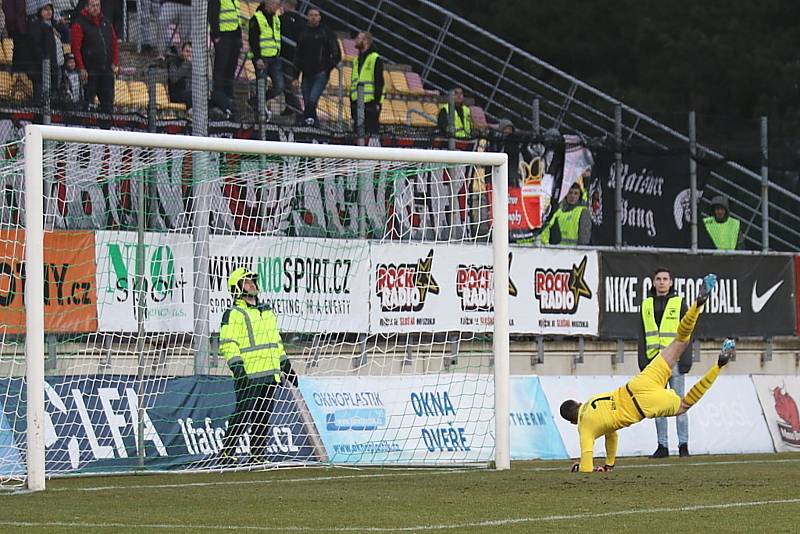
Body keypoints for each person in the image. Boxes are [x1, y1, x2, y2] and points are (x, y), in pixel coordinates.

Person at [560, 274, 734, 473]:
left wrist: (578, 466)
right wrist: (609, 465)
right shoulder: (591, 402)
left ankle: (719, 365)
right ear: (578, 403)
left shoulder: (585, 428)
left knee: (685, 404)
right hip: (639, 383)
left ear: (573, 421)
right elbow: (611, 434)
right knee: (680, 341)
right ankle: (697, 305)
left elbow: (587, 467)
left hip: (643, 405)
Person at [218, 267, 299, 464]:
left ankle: (257, 453)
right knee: (243, 413)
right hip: (248, 373)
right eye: (246, 282)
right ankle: (227, 452)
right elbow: (228, 343)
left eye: (252, 281)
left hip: (271, 372)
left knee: (263, 415)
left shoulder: (267, 312)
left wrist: (285, 365)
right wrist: (237, 368)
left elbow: (276, 342)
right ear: (237, 288)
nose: (252, 284)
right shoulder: (234, 313)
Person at [638, 267, 692, 458]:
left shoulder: (679, 303)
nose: (661, 282)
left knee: (679, 405)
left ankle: (683, 445)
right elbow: (642, 335)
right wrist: (643, 361)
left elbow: (687, 333)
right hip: (655, 363)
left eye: (665, 279)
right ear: (653, 282)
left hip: (675, 361)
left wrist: (685, 360)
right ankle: (663, 446)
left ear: (671, 283)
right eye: (658, 279)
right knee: (658, 405)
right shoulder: (646, 304)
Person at [292, 7, 340, 126]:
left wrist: (327, 69)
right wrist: (295, 76)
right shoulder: (303, 33)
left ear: (319, 17)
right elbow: (298, 55)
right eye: (311, 15)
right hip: (306, 74)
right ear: (307, 17)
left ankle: (309, 124)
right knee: (308, 102)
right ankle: (313, 124)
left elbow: (336, 54)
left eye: (316, 15)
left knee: (312, 101)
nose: (313, 17)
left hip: (320, 73)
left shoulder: (326, 32)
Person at [71, 0, 119, 114]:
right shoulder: (79, 23)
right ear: (87, 7)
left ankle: (106, 128)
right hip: (90, 71)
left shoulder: (106, 22)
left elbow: (114, 43)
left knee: (107, 103)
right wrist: (81, 68)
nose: (96, 8)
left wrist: (115, 62)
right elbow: (75, 48)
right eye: (93, 5)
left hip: (106, 70)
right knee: (88, 103)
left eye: (98, 5)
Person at [208, 0, 242, 118]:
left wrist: (240, 38)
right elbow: (213, 14)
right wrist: (216, 35)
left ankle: (228, 94)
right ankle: (220, 94)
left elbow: (237, 18)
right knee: (221, 68)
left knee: (230, 68)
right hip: (224, 37)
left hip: (234, 38)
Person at [29, 2, 64, 106]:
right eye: (45, 9)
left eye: (50, 9)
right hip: (41, 71)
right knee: (41, 101)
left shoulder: (54, 26)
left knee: (52, 99)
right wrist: (45, 61)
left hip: (55, 68)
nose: (49, 12)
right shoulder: (37, 26)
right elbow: (36, 47)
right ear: (40, 11)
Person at [350, 31, 383, 136]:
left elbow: (379, 81)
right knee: (358, 133)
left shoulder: (375, 58)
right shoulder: (356, 60)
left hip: (370, 102)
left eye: (358, 38)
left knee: (370, 132)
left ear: (366, 41)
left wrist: (377, 102)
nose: (356, 40)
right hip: (357, 102)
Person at [278, 0, 302, 116]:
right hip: (297, 58)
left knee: (287, 84)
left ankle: (297, 109)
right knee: (290, 83)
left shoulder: (281, 19)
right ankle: (290, 107)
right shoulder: (302, 21)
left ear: (286, 5)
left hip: (285, 56)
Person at [167, 41, 192, 108]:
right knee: (194, 96)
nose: (189, 54)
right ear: (182, 51)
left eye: (191, 52)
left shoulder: (196, 65)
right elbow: (173, 78)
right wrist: (187, 63)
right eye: (187, 51)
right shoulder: (174, 62)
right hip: (178, 94)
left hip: (191, 92)